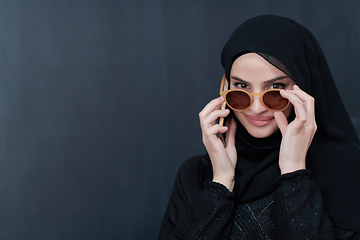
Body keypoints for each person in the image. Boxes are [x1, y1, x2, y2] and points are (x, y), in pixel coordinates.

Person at [158, 15, 360, 240]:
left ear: (304, 88)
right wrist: (221, 183)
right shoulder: (197, 174)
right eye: (241, 87)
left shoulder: (347, 176)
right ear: (224, 86)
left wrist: (294, 173)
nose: (255, 109)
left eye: (275, 88)